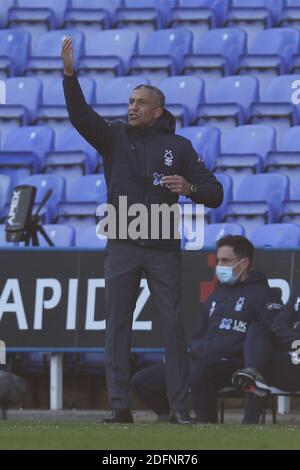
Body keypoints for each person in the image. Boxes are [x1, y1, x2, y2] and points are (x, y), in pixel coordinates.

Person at [61, 37, 223, 424]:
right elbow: (80, 115)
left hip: (163, 248)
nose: (132, 107)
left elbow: (215, 193)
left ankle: (179, 408)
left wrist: (191, 189)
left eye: (140, 102)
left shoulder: (180, 146)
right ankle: (119, 407)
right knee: (116, 326)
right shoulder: (113, 137)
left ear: (157, 110)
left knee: (172, 328)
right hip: (121, 242)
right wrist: (69, 75)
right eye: (130, 102)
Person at [132, 235, 281, 423]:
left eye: (225, 260)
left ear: (244, 263)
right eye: (218, 260)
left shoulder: (264, 295)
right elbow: (198, 335)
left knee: (201, 371)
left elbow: (268, 335)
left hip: (233, 364)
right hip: (199, 362)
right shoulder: (216, 295)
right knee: (142, 381)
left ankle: (207, 424)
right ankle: (171, 416)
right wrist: (190, 352)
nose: (219, 265)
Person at [232, 291, 300, 423]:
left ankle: (249, 422)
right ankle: (254, 373)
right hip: (290, 356)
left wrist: (293, 329)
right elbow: (278, 326)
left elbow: (283, 329)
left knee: (260, 361)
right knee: (257, 330)